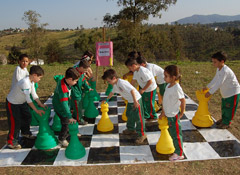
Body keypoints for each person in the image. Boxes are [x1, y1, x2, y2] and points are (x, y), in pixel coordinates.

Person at [6, 65, 46, 149]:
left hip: (22, 102)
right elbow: (29, 100)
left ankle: (25, 133)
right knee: (15, 122)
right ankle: (11, 141)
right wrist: (36, 110)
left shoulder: (31, 82)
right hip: (13, 103)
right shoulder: (25, 82)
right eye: (39, 78)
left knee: (27, 116)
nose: (39, 80)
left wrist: (40, 104)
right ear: (34, 75)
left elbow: (34, 95)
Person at [102, 69, 147, 144]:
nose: (108, 83)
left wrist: (135, 102)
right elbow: (112, 92)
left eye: (109, 81)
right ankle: (131, 129)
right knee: (129, 115)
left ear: (113, 78)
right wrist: (106, 99)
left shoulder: (122, 83)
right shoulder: (115, 84)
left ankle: (142, 134)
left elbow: (132, 90)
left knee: (138, 117)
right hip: (130, 101)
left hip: (136, 100)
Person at [203, 51, 240, 129]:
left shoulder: (225, 71)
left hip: (233, 93)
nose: (213, 64)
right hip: (225, 93)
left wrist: (210, 92)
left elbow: (219, 83)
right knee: (224, 107)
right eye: (213, 62)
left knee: (229, 108)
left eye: (215, 62)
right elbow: (216, 79)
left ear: (222, 61)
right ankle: (224, 119)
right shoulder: (219, 69)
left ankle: (227, 122)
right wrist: (208, 86)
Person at [159, 65, 186, 161]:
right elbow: (165, 101)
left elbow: (183, 100)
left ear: (173, 77)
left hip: (174, 115)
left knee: (177, 135)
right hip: (168, 114)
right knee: (172, 133)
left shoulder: (176, 88)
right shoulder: (168, 86)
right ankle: (176, 149)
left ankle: (179, 154)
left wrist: (182, 113)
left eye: (166, 76)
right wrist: (163, 112)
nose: (164, 78)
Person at [52, 67, 80, 147]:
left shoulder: (64, 80)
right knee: (66, 123)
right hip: (61, 108)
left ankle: (72, 132)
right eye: (75, 81)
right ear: (70, 79)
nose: (76, 82)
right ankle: (62, 138)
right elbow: (64, 104)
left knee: (68, 120)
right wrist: (69, 116)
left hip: (62, 104)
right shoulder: (63, 89)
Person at [72, 60, 92, 125]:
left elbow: (83, 82)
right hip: (74, 93)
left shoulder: (82, 73)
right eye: (86, 70)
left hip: (79, 92)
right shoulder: (73, 73)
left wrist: (88, 88)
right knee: (78, 107)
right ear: (81, 67)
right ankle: (79, 120)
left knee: (78, 106)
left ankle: (75, 116)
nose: (86, 72)